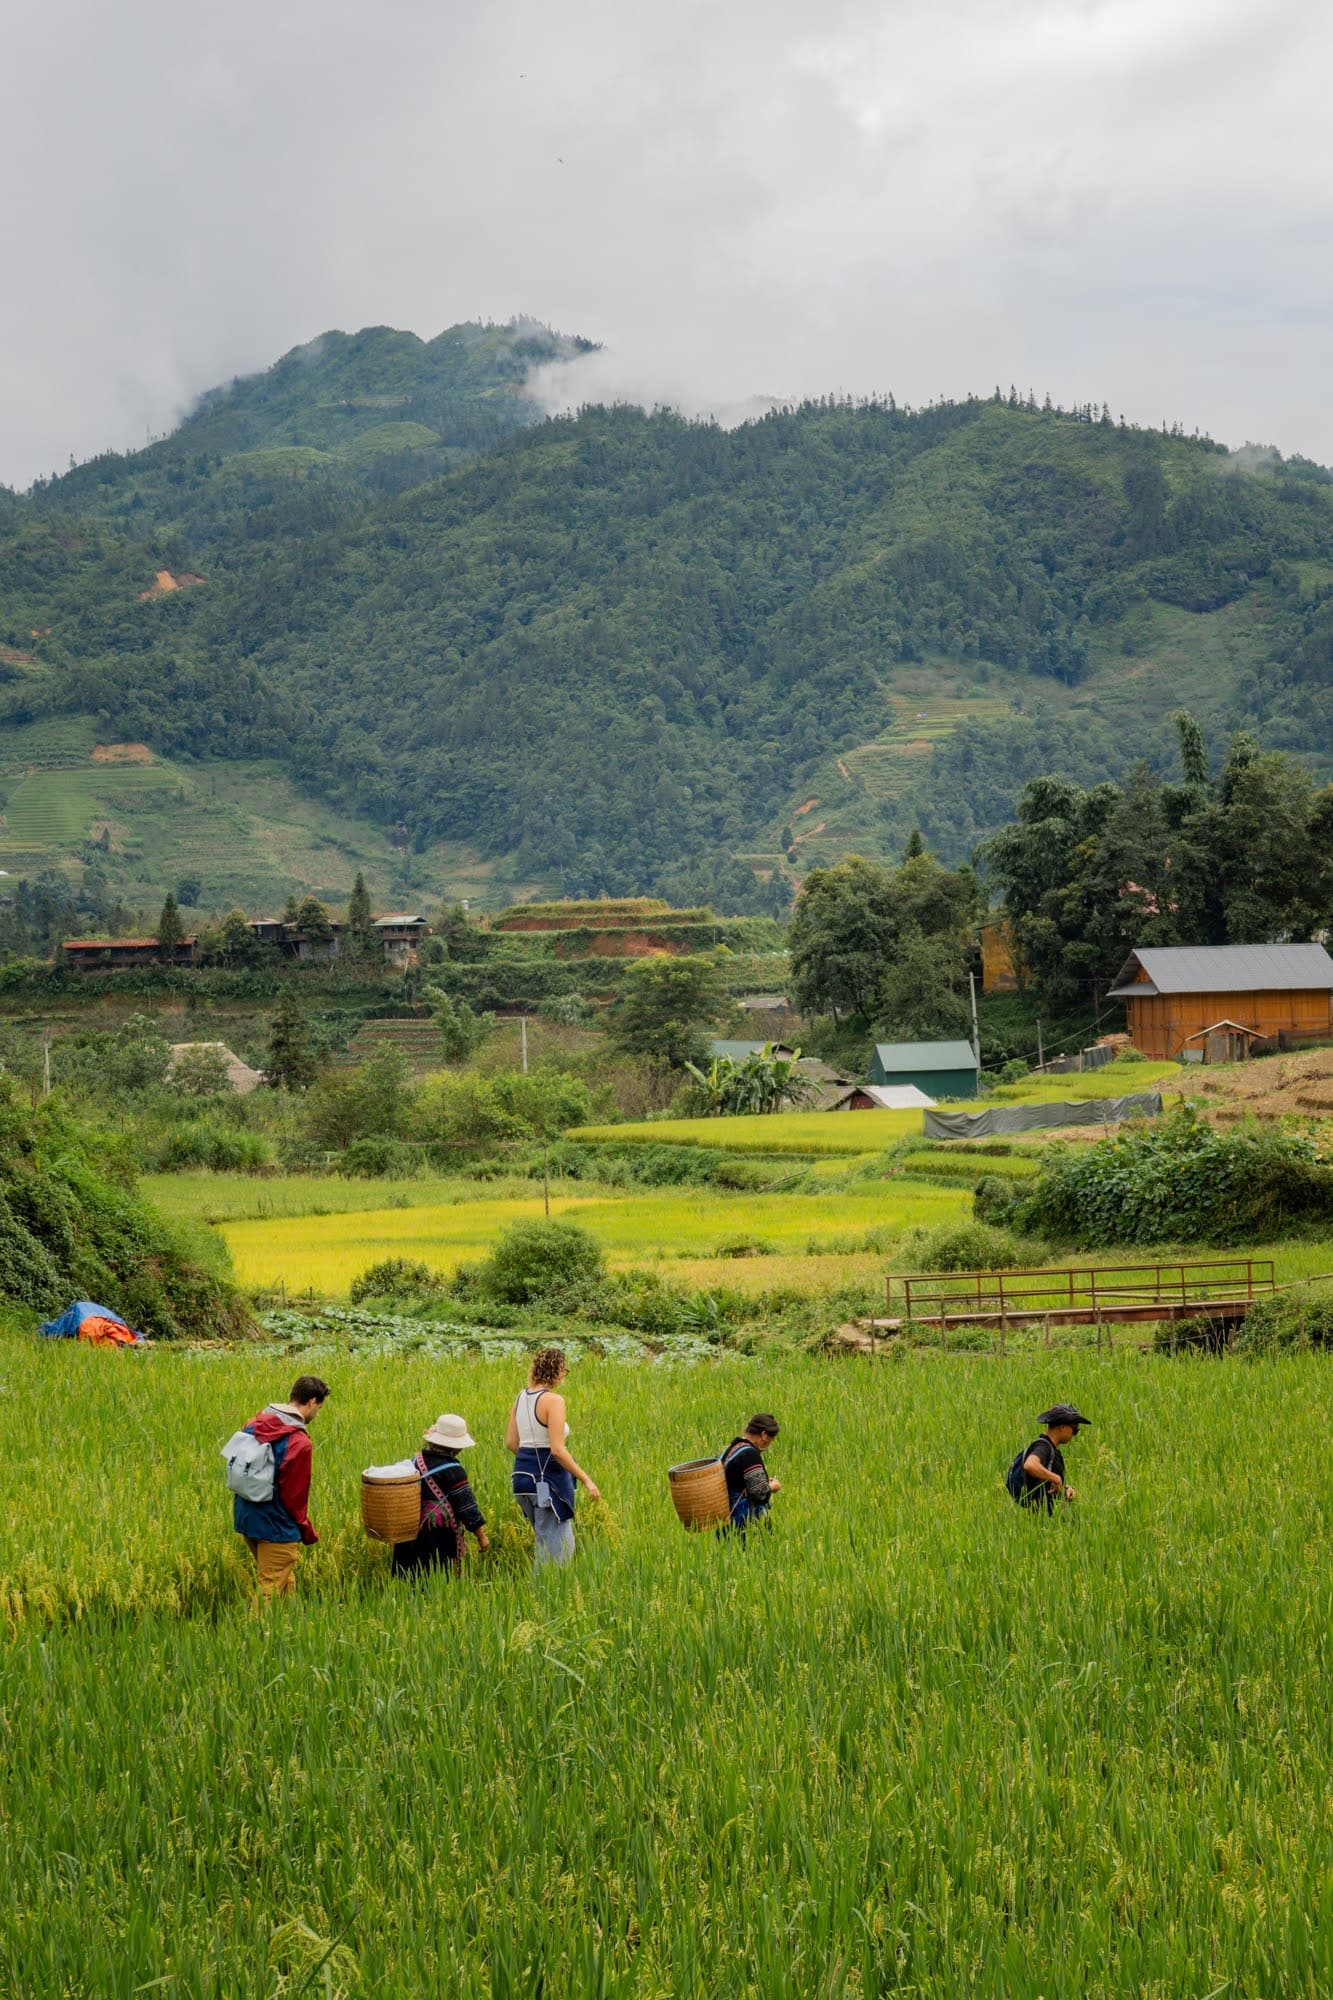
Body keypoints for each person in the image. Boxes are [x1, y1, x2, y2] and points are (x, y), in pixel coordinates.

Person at [231, 1375, 329, 1599]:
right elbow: (294, 1496)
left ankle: (291, 1625)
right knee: (270, 1588)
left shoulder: (254, 1424)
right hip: (276, 1526)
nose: (317, 1413)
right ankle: (255, 1632)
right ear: (312, 1402)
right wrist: (305, 1529)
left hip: (247, 1517)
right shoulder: (299, 1442)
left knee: (284, 1578)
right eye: (320, 1407)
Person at [505, 1347, 600, 1569]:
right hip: (549, 1484)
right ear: (557, 1371)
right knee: (558, 1555)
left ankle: (541, 1597)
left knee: (545, 1544)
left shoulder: (520, 1398)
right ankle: (545, 1599)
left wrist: (531, 1462)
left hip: (521, 1481)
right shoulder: (553, 1400)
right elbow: (557, 1449)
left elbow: (511, 1443)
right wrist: (586, 1479)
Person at [393, 1413, 490, 1579]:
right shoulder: (453, 1470)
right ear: (456, 1447)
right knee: (439, 1582)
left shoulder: (415, 1461)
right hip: (438, 1538)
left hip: (408, 1533)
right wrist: (481, 1536)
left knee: (408, 1583)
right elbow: (467, 1507)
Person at [1010, 1403, 1091, 1512]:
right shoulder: (1043, 1447)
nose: (1075, 1433)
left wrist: (1065, 1489)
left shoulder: (1051, 1449)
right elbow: (1030, 1465)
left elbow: (1045, 1484)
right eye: (1074, 1428)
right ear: (1062, 1427)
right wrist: (1056, 1479)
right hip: (1039, 1516)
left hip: (1047, 1516)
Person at [719, 1413, 782, 1534]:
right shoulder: (749, 1454)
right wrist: (773, 1486)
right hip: (745, 1525)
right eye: (770, 1440)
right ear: (764, 1435)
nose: (768, 1445)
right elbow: (759, 1493)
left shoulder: (732, 1448)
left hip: (726, 1522)